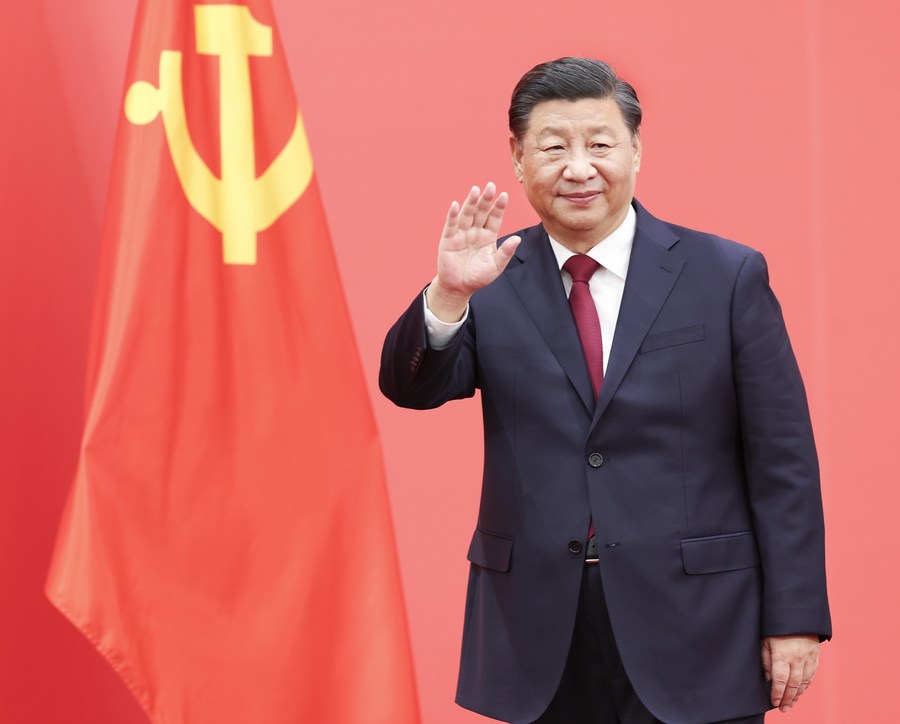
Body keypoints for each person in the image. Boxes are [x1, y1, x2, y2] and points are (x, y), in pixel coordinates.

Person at [379, 57, 830, 724]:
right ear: (517, 157)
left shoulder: (724, 275)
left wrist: (795, 617)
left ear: (637, 149)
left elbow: (783, 459)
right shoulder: (491, 276)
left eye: (599, 144)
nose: (579, 168)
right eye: (554, 147)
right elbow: (409, 387)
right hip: (540, 632)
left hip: (697, 625)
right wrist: (447, 296)